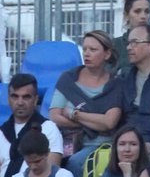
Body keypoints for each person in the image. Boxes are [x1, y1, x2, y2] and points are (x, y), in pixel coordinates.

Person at [45, 32, 125, 165]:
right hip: (72, 143)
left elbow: (109, 123)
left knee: (79, 162)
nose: (86, 54)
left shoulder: (116, 84)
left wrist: (73, 113)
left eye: (93, 50)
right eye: (85, 49)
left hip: (105, 145)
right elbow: (54, 116)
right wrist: (92, 122)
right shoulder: (69, 79)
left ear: (107, 54)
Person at [0, 74, 63, 177]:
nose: (20, 102)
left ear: (36, 100)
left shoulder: (49, 128)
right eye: (15, 96)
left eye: (26, 97)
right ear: (8, 99)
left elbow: (51, 173)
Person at [112, 0, 150, 72]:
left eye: (147, 11)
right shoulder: (115, 45)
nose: (143, 16)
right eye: (137, 11)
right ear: (126, 15)